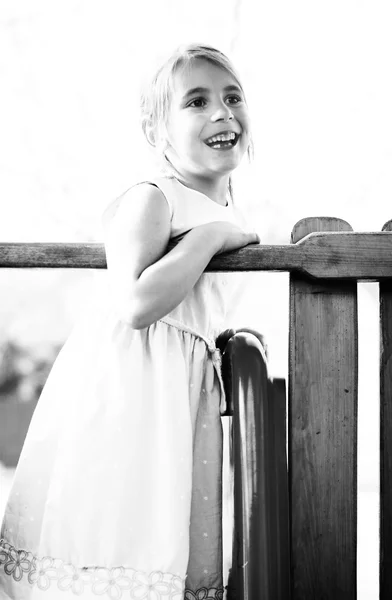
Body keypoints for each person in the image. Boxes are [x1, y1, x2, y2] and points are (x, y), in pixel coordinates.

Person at [0, 43, 262, 599]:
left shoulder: (226, 210)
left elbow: (198, 313)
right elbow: (138, 305)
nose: (222, 112)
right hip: (131, 396)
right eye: (196, 101)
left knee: (174, 526)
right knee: (125, 522)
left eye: (232, 97)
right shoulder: (154, 199)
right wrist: (211, 239)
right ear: (156, 130)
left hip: (180, 394)